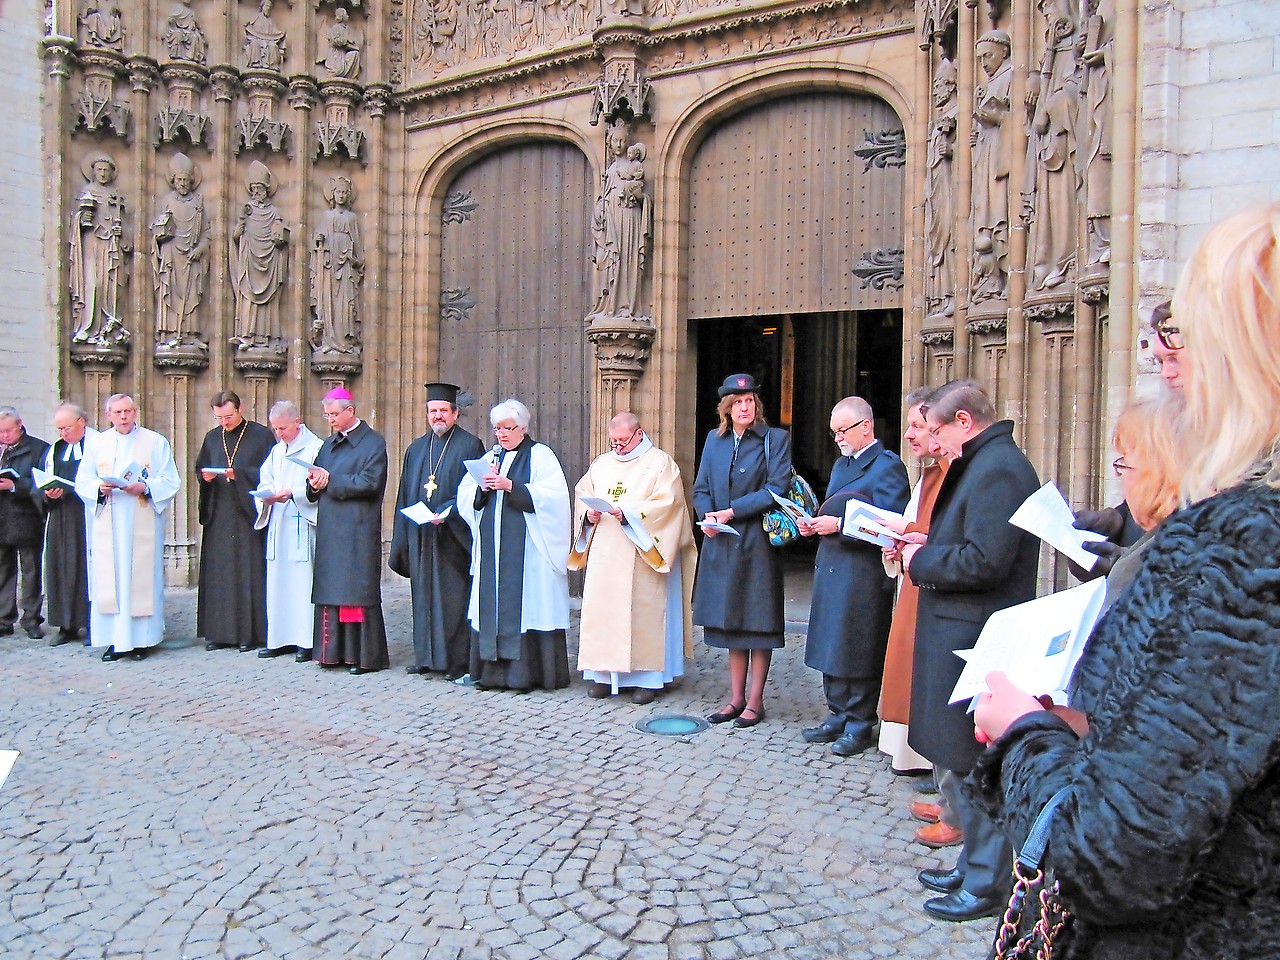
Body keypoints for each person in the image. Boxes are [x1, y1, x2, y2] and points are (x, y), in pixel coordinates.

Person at [971, 203, 1280, 959]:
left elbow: (1111, 859)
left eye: (1181, 336)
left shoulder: (1242, 547)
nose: (1168, 360)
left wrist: (1024, 735)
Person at [893, 378, 1040, 922]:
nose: (935, 444)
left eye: (938, 431)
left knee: (979, 760)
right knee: (961, 756)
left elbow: (986, 561)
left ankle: (986, 883)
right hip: (959, 627)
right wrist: (931, 545)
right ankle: (971, 865)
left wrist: (919, 563)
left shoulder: (998, 467)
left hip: (974, 631)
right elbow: (973, 543)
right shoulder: (985, 460)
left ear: (962, 421)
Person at [799, 397, 910, 755]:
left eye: (842, 430)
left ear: (866, 426)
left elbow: (891, 527)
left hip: (862, 573)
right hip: (833, 566)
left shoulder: (887, 467)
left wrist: (840, 526)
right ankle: (837, 713)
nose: (837, 438)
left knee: (858, 646)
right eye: (833, 432)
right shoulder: (841, 465)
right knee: (833, 643)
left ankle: (860, 721)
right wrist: (815, 526)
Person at [569, 412, 697, 704]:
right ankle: (602, 675)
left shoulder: (660, 463)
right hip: (605, 553)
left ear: (639, 434)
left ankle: (646, 679)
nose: (617, 447)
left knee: (642, 613)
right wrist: (588, 515)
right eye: (613, 441)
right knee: (604, 613)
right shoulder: (601, 464)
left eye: (623, 441)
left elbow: (670, 505)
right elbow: (583, 494)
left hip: (641, 553)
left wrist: (629, 513)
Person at [691, 373, 792, 729]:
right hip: (722, 541)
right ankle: (734, 698)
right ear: (727, 409)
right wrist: (707, 516)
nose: (745, 407)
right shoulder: (713, 441)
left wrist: (732, 511)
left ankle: (755, 701)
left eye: (749, 401)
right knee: (732, 621)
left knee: (758, 623)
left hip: (757, 543)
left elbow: (776, 489)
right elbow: (701, 486)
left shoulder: (775, 439)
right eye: (738, 402)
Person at [457, 399, 571, 692]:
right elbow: (467, 496)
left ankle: (526, 675)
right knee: (491, 603)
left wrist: (512, 487)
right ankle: (492, 674)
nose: (502, 435)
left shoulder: (540, 455)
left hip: (528, 551)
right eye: (497, 429)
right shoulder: (490, 457)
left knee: (527, 604)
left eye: (508, 428)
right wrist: (482, 488)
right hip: (493, 550)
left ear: (523, 427)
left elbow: (555, 499)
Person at [75, 394, 181, 661]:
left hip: (139, 517)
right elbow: (82, 480)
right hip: (108, 519)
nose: (123, 416)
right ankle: (113, 641)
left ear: (135, 412)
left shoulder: (155, 442)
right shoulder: (97, 444)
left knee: (139, 578)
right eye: (117, 412)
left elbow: (170, 479)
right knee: (110, 579)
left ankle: (142, 641)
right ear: (108, 415)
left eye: (127, 411)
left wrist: (144, 487)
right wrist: (99, 488)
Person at [389, 382, 484, 679]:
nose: (438, 416)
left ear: (455, 413)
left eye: (444, 410)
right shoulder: (416, 448)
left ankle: (454, 662)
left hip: (453, 537)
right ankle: (426, 657)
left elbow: (475, 491)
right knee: (422, 598)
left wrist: (449, 512)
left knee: (452, 600)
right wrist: (406, 530)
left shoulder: (470, 445)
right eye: (433, 411)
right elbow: (405, 493)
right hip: (422, 535)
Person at [877, 389, 949, 780]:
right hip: (914, 576)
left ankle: (929, 761)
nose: (909, 434)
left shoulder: (950, 473)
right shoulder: (928, 473)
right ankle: (909, 752)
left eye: (917, 425)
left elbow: (941, 530)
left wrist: (908, 532)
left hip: (934, 581)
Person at [306, 388, 390, 675]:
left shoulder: (373, 443)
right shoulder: (328, 444)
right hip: (331, 527)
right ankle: (331, 653)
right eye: (327, 414)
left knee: (354, 592)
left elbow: (370, 482)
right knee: (332, 590)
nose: (330, 420)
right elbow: (317, 476)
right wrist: (314, 484)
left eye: (334, 414)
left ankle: (359, 656)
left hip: (357, 528)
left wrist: (331, 481)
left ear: (350, 411)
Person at [195, 391, 274, 653]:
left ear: (240, 409)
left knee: (246, 574)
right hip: (219, 514)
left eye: (228, 416)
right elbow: (201, 467)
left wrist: (238, 474)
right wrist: (204, 477)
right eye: (219, 417)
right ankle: (219, 632)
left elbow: (268, 472)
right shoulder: (211, 437)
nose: (224, 422)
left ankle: (248, 633)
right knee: (220, 575)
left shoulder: (261, 435)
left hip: (246, 515)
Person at [254, 401, 323, 662]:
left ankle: (305, 640)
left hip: (300, 522)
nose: (279, 433)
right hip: (278, 522)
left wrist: (293, 493)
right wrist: (266, 496)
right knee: (278, 581)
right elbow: (266, 479)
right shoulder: (276, 451)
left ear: (297, 422)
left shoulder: (315, 447)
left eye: (283, 428)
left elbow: (316, 484)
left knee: (302, 582)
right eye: (275, 429)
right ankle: (279, 638)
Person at [38, 402, 98, 645]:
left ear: (82, 423)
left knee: (88, 569)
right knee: (61, 567)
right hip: (61, 516)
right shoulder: (56, 449)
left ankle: (93, 624)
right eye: (60, 429)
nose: (63, 433)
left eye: (67, 427)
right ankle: (66, 624)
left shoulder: (98, 444)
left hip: (87, 515)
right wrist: (47, 493)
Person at [0, 408, 50, 639]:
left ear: (20, 425)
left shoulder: (39, 448)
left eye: (9, 430)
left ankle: (31, 618)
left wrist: (14, 486)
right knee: (3, 571)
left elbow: (42, 484)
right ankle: (3, 618)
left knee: (30, 570)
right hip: (2, 517)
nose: (5, 436)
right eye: (1, 432)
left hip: (26, 517)